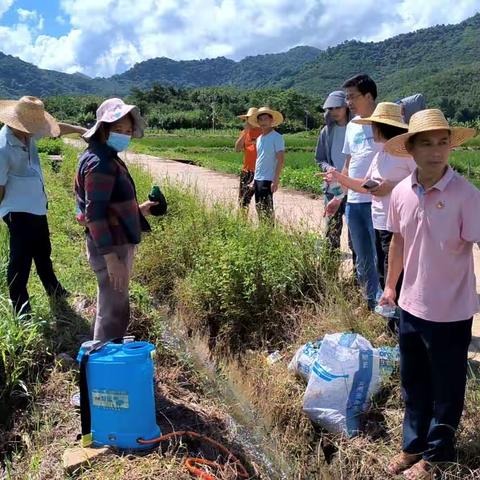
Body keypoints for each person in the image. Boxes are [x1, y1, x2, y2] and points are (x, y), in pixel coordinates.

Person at [379, 109, 478, 479]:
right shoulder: (402, 191)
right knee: (413, 381)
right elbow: (398, 241)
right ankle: (413, 445)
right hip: (410, 306)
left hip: (451, 311)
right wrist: (391, 285)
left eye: (442, 143)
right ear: (411, 149)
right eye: (427, 143)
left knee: (447, 388)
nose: (436, 151)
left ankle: (437, 456)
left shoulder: (466, 195)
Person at [75, 98, 158, 342]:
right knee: (112, 311)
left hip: (114, 241)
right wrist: (111, 258)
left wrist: (142, 209)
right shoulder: (100, 163)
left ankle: (110, 356)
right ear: (103, 128)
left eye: (128, 131)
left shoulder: (107, 156)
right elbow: (95, 215)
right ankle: (104, 367)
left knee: (114, 303)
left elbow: (108, 207)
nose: (124, 135)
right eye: (118, 129)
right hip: (112, 247)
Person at [323, 102, 415, 301]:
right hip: (382, 222)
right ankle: (390, 322)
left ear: (383, 127)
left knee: (397, 277)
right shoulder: (381, 155)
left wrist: (391, 185)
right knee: (384, 273)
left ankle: (398, 325)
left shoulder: (406, 153)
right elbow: (365, 183)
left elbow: (422, 180)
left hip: (398, 224)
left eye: (374, 126)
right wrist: (339, 178)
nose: (371, 130)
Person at [0, 96, 68, 314]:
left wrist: (80, 129)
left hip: (37, 206)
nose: (38, 130)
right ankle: (21, 309)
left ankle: (54, 290)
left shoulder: (27, 133)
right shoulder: (2, 148)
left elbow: (56, 128)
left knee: (43, 251)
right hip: (17, 211)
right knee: (20, 260)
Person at [330, 74, 380, 309]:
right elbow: (348, 164)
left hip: (379, 201)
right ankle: (369, 301)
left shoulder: (385, 122)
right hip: (354, 202)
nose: (348, 102)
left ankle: (388, 306)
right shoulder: (351, 126)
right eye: (347, 97)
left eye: (353, 96)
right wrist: (340, 196)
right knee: (361, 256)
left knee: (382, 256)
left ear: (368, 96)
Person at [315, 90, 352, 251]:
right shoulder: (326, 132)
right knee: (332, 230)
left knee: (355, 234)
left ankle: (357, 274)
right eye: (331, 109)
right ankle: (330, 269)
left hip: (353, 187)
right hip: (333, 186)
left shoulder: (357, 129)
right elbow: (319, 159)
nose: (335, 112)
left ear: (346, 107)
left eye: (338, 107)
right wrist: (328, 168)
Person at [248, 107, 285, 221]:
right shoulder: (259, 138)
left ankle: (269, 233)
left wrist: (275, 179)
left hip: (268, 178)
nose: (263, 122)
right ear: (258, 122)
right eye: (261, 120)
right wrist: (254, 179)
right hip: (258, 178)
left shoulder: (277, 137)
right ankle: (263, 232)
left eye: (266, 119)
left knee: (267, 208)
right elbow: (259, 159)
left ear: (271, 121)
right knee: (259, 207)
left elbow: (280, 159)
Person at [234, 107, 262, 209]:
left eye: (249, 118)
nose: (247, 121)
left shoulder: (263, 132)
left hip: (260, 171)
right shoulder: (245, 132)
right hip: (247, 171)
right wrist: (245, 132)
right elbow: (237, 148)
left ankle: (264, 223)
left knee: (261, 202)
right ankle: (242, 222)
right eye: (246, 119)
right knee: (243, 201)